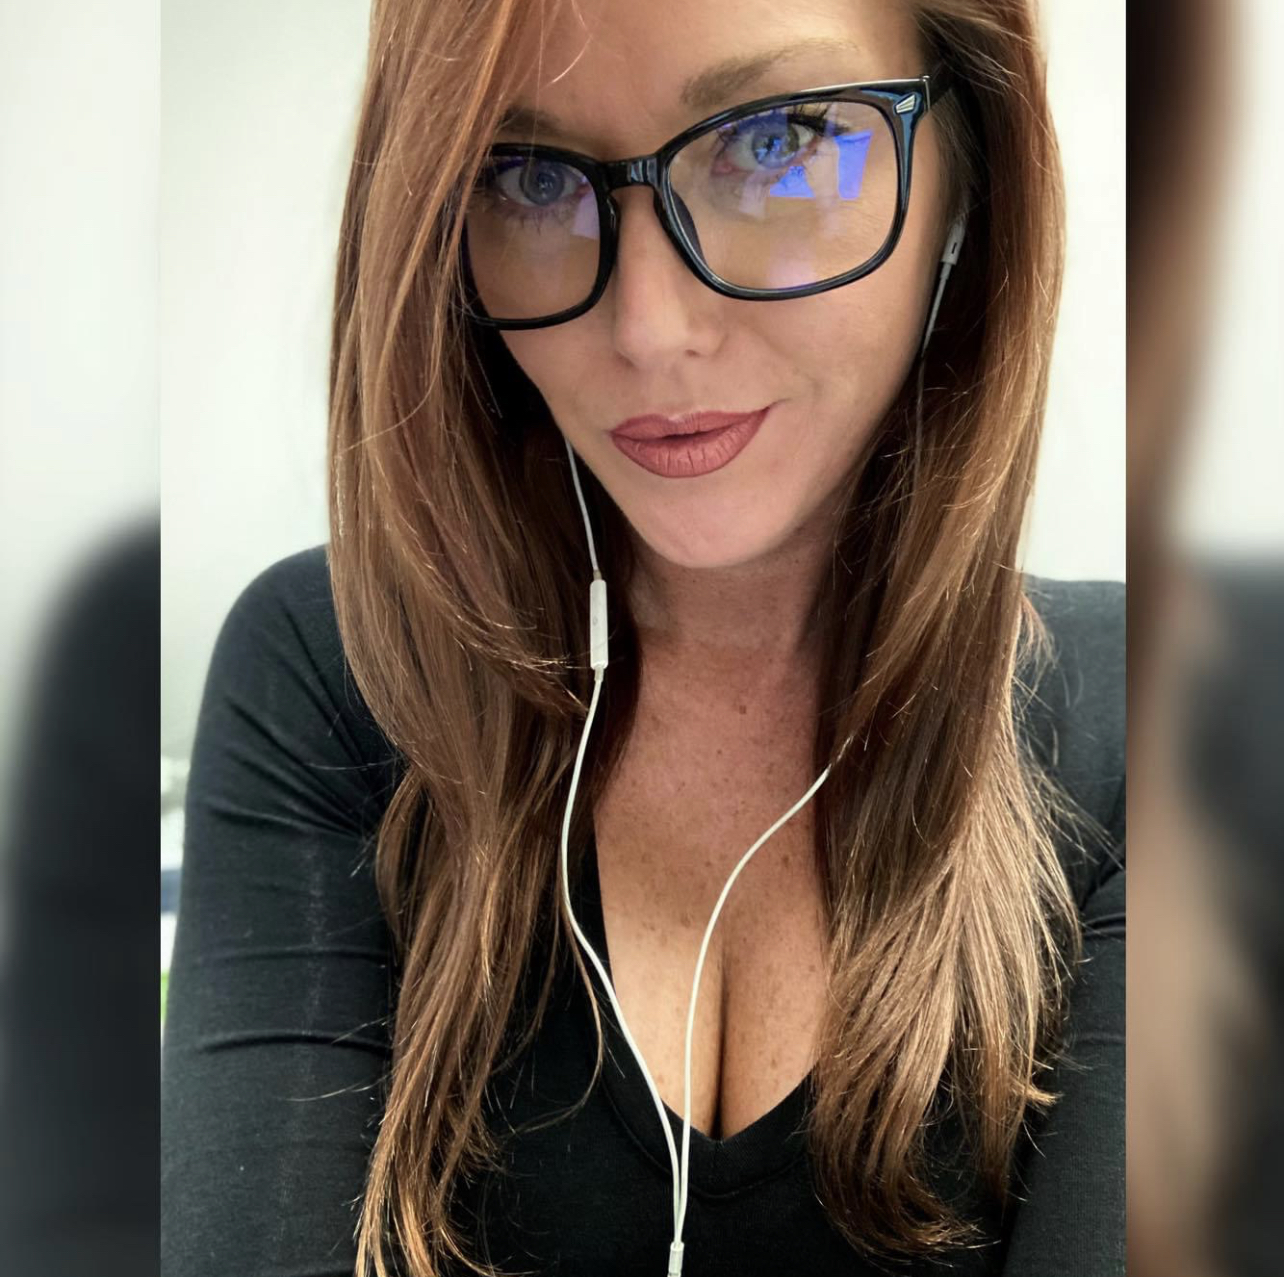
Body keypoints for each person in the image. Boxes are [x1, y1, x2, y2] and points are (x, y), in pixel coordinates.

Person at [161, 0, 1124, 1274]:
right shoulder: (340, 675)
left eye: (780, 141)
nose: (648, 328)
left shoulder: (1167, 717)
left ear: (973, 166)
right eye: (528, 177)